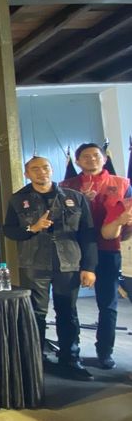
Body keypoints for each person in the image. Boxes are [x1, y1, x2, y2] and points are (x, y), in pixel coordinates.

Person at [4, 156, 97, 381]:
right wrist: (32, 228)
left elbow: (88, 234)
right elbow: (9, 230)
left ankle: (70, 360)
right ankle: (36, 359)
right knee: (36, 314)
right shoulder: (18, 199)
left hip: (68, 263)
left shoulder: (74, 197)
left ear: (52, 170)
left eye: (45, 167)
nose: (41, 172)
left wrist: (89, 267)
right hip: (34, 263)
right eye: (35, 169)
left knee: (68, 312)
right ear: (27, 174)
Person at [60, 143, 131, 369]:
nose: (91, 159)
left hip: (109, 249)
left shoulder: (122, 183)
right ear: (77, 161)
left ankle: (105, 352)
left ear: (104, 158)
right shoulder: (66, 186)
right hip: (74, 250)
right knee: (67, 303)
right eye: (85, 156)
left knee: (108, 304)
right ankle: (71, 352)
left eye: (95, 155)